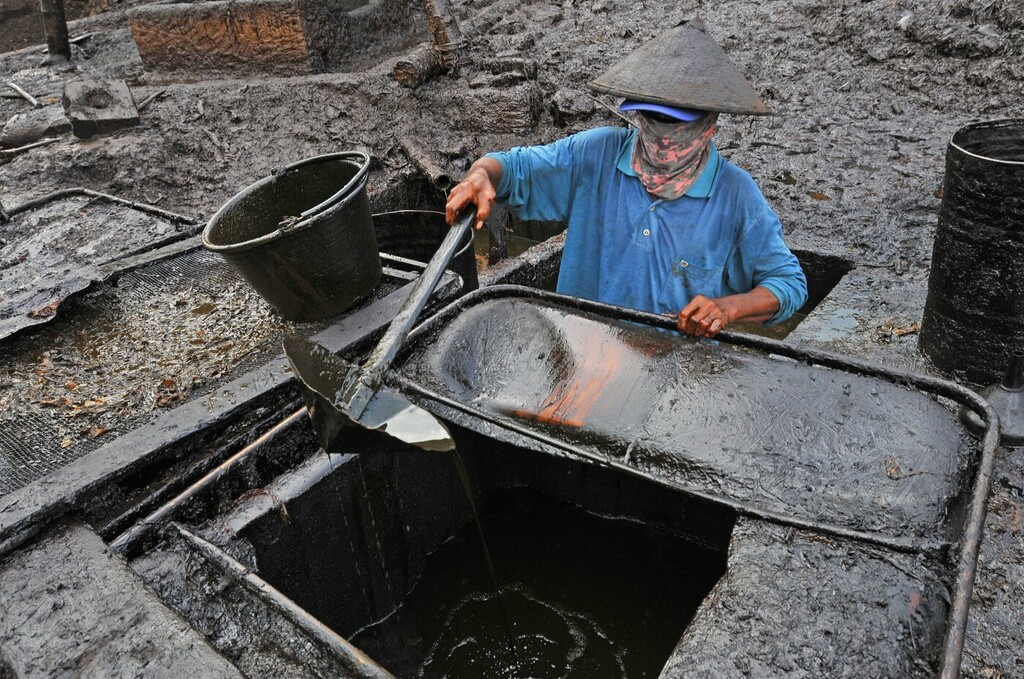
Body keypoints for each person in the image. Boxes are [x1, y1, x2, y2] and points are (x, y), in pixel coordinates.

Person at [445, 20, 807, 339]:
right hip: (578, 349)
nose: (662, 140)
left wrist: (726, 308)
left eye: (676, 127)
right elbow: (514, 169)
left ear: (709, 126)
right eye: (651, 121)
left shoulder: (736, 196)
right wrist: (480, 175)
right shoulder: (595, 155)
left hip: (668, 370)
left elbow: (788, 283)